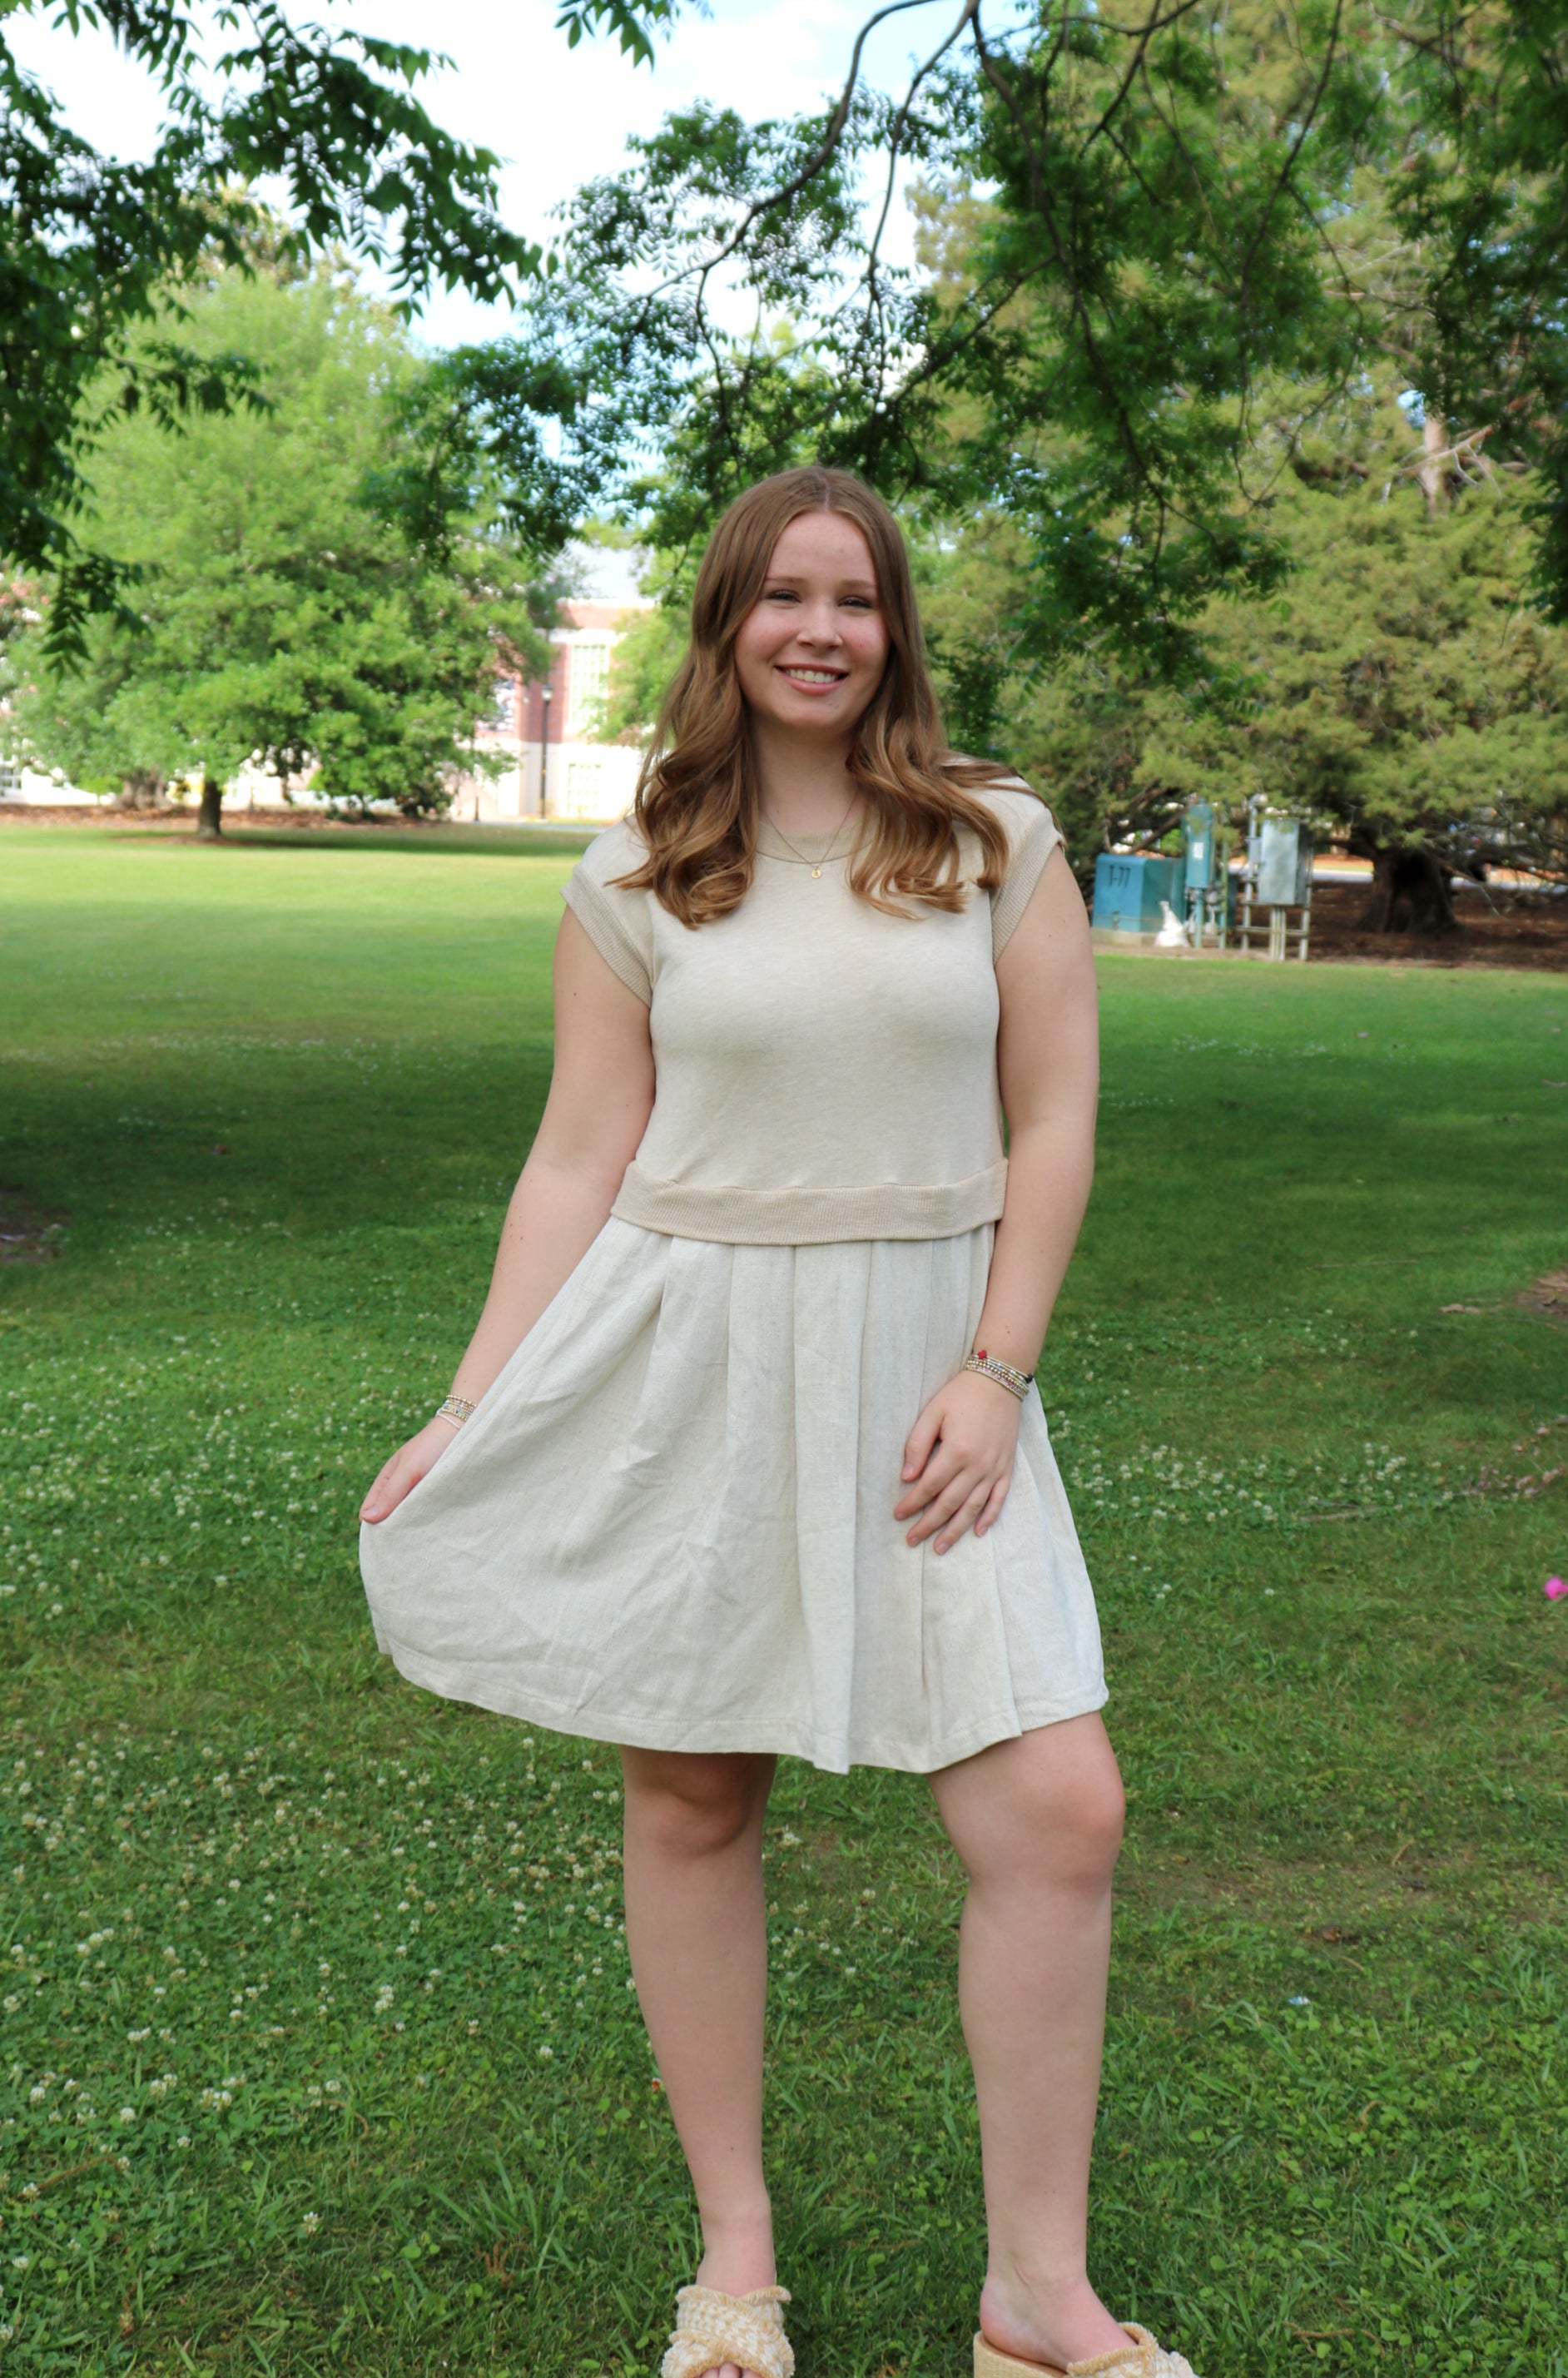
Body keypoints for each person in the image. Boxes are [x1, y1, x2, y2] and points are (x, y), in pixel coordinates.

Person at [359, 467, 1200, 2378]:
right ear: (727, 620)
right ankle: (734, 2271)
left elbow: (1050, 1120)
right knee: (692, 1790)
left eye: (860, 598)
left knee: (1061, 1808)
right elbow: (580, 1153)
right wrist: (472, 1404)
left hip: (933, 1374)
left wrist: (996, 1370)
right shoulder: (644, 861)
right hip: (694, 1357)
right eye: (783, 595)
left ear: (895, 629)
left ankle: (1035, 2301)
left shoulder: (997, 836)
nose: (822, 628)